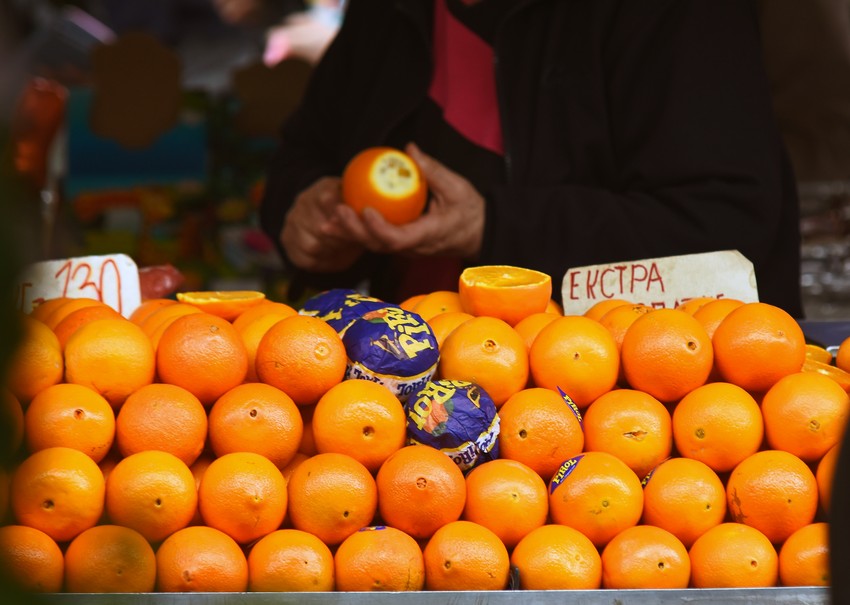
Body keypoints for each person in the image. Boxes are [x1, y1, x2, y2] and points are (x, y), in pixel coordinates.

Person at [259, 0, 804, 317]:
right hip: (412, 403)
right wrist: (307, 219)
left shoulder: (676, 15)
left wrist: (492, 226)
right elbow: (305, 154)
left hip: (633, 408)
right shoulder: (391, 11)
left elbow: (725, 228)